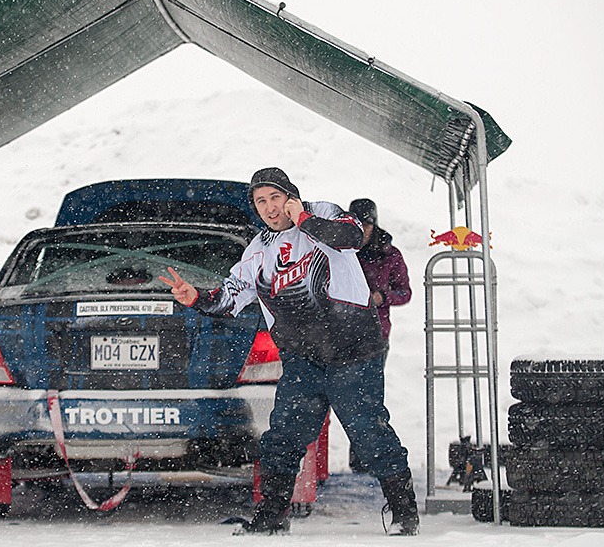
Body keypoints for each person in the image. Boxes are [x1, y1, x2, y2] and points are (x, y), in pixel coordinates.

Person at [159, 168, 419, 536]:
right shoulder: (259, 249)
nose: (268, 207)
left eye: (275, 197)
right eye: (260, 201)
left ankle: (405, 514)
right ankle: (272, 516)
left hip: (354, 351)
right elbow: (232, 296)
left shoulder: (323, 213)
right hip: (303, 359)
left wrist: (304, 218)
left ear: (290, 196)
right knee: (282, 438)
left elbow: (352, 236)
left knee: (369, 434)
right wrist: (198, 297)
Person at [346, 198, 412, 474]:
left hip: (375, 335)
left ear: (374, 224)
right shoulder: (340, 249)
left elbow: (405, 292)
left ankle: (369, 454)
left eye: (367, 224)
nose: (362, 230)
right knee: (347, 398)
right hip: (342, 334)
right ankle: (359, 452)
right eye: (358, 224)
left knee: (369, 397)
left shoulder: (390, 254)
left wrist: (381, 297)